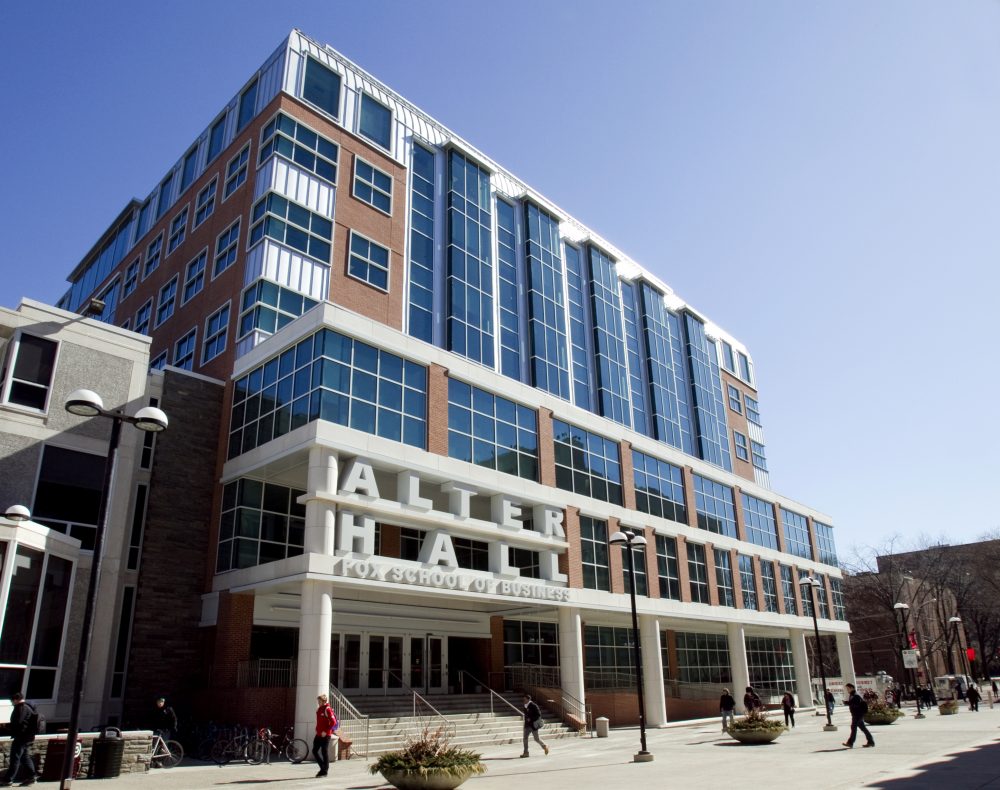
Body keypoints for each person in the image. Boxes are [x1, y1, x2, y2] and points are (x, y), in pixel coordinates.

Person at [2, 692, 37, 787]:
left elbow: (18, 722)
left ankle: (8, 780)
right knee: (24, 757)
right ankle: (31, 776)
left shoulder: (21, 708)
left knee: (15, 758)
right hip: (26, 737)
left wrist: (6, 726)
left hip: (21, 737)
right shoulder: (28, 707)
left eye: (12, 701)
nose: (12, 703)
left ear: (16, 700)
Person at [842, 683, 874, 749]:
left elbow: (855, 704)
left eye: (848, 688)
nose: (847, 690)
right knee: (863, 728)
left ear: (852, 688)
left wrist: (847, 703)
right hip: (857, 714)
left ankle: (850, 743)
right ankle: (871, 742)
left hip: (857, 715)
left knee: (853, 728)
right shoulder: (852, 695)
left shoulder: (855, 695)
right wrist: (848, 702)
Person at [313, 694, 338, 778]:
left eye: (319, 701)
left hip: (326, 735)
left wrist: (326, 731)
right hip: (319, 734)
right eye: (318, 701)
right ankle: (323, 768)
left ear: (324, 701)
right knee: (314, 751)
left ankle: (324, 771)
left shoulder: (327, 709)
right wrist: (317, 729)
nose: (318, 702)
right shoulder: (319, 709)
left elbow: (333, 722)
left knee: (324, 751)